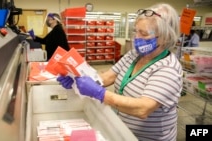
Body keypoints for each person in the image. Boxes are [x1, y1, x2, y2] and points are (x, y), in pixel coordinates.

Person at [57, 3, 183, 141]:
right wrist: (77, 78)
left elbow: (143, 109)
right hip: (123, 132)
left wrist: (100, 93)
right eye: (136, 31)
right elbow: (107, 77)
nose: (137, 37)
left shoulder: (168, 68)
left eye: (144, 33)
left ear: (166, 37)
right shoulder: (134, 55)